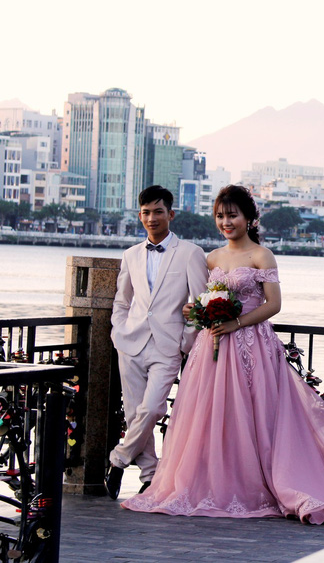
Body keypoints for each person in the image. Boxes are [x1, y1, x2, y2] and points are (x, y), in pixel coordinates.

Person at [123, 185, 324, 523]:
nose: (226, 222)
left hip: (252, 346)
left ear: (249, 218)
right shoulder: (212, 258)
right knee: (215, 416)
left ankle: (263, 482)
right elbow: (200, 298)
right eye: (220, 216)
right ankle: (214, 479)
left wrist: (236, 323)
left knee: (258, 417)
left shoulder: (262, 255)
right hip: (214, 348)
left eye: (232, 215)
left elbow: (274, 305)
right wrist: (198, 311)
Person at [106, 185, 209, 499]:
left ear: (171, 214)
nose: (152, 218)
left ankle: (118, 459)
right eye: (146, 213)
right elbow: (122, 301)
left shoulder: (190, 253)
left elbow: (200, 301)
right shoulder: (130, 255)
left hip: (167, 346)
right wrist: (118, 331)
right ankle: (150, 477)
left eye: (158, 212)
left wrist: (185, 341)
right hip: (130, 343)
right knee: (134, 412)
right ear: (140, 216)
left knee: (151, 409)